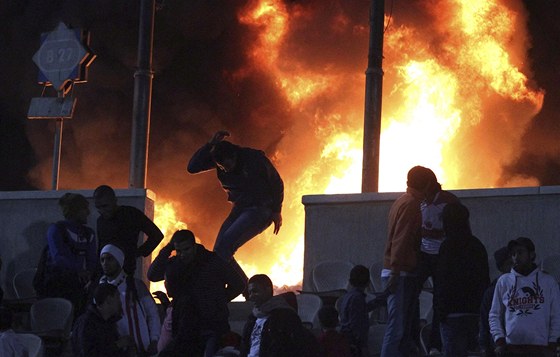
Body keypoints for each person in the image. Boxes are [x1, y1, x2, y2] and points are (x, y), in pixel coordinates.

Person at [187, 130, 284, 284]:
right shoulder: (219, 162)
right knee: (218, 252)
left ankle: (243, 287)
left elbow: (276, 182)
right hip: (239, 208)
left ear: (234, 156)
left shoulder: (254, 159)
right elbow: (192, 168)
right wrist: (210, 144)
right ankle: (244, 286)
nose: (226, 169)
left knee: (224, 248)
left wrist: (277, 210)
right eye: (222, 166)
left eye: (228, 165)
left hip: (260, 209)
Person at [147, 229, 245, 357]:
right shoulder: (175, 265)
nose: (183, 254)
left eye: (186, 249)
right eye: (179, 251)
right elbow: (152, 275)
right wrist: (168, 248)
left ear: (194, 246)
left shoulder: (212, 262)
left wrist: (216, 301)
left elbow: (238, 284)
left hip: (212, 326)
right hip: (185, 328)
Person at [380, 165, 434, 357]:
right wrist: (396, 271)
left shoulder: (401, 201)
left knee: (400, 328)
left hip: (398, 271)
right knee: (397, 329)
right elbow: (401, 239)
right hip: (400, 273)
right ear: (426, 184)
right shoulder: (412, 205)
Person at [434, 202, 490, 357]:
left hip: (452, 314)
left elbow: (442, 282)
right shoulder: (477, 245)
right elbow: (484, 279)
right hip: (475, 313)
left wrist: (440, 311)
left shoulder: (447, 247)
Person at [489, 237, 560, 357]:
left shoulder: (548, 282)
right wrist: (499, 340)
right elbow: (494, 314)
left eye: (520, 252)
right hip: (512, 348)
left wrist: (553, 342)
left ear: (532, 255)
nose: (516, 257)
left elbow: (556, 314)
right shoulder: (504, 282)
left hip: (541, 349)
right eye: (513, 254)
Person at [415, 168, 459, 355]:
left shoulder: (449, 202)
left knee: (439, 301)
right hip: (423, 255)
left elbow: (457, 230)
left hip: (443, 256)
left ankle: (435, 345)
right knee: (410, 294)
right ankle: (413, 341)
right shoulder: (418, 203)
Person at [99, 244, 160, 356]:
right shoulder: (99, 289)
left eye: (109, 259)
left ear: (119, 261)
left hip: (144, 349)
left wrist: (154, 340)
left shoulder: (135, 285)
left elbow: (152, 313)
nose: (105, 263)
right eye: (102, 260)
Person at [239, 274, 320, 357]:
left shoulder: (285, 317)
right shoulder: (252, 318)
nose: (251, 296)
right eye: (250, 293)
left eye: (255, 291)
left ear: (268, 290)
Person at [43, 192, 98, 315]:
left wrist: (90, 275)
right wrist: (79, 270)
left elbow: (92, 259)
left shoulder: (88, 233)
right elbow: (58, 257)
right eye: (85, 209)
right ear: (75, 210)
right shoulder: (56, 229)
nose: (88, 213)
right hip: (56, 284)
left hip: (79, 285)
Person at [94, 185, 164, 276]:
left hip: (126, 270)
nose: (102, 210)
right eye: (98, 207)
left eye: (105, 206)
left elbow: (156, 235)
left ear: (114, 201)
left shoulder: (131, 214)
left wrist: (137, 253)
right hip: (105, 273)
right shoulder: (101, 221)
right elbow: (101, 246)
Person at [72, 283, 136, 357]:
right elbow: (87, 353)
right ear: (109, 300)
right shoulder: (86, 324)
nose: (120, 302)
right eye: (117, 297)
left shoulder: (109, 322)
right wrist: (118, 345)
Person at [339, 264, 384, 357]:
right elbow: (357, 324)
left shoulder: (348, 296)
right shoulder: (358, 298)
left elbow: (361, 311)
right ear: (368, 283)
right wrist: (362, 346)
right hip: (354, 343)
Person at [479, 247, 513, 357]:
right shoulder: (492, 291)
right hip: (501, 345)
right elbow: (486, 320)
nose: (513, 267)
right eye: (509, 264)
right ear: (501, 267)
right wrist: (485, 347)